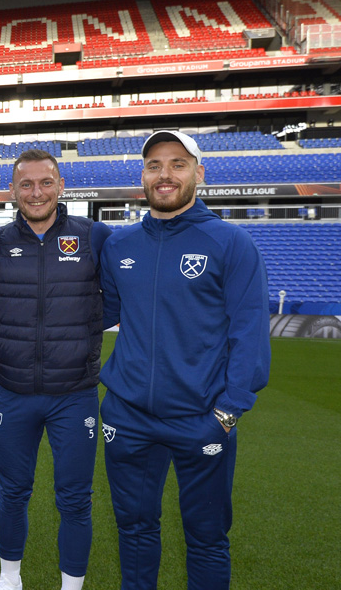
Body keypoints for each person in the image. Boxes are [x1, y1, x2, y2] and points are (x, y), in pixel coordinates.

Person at [98, 131, 270, 590]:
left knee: (207, 537)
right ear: (144, 176)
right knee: (134, 531)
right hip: (128, 418)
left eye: (177, 164)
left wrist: (228, 411)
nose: (165, 175)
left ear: (199, 172)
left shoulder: (231, 243)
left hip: (202, 418)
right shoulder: (120, 245)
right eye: (154, 165)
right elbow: (102, 314)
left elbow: (249, 332)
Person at [0, 150, 112, 590]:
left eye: (45, 182)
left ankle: (71, 586)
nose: (36, 192)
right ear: (13, 191)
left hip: (75, 393)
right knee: (12, 493)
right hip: (13, 392)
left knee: (76, 499)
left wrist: (81, 335)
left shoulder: (93, 236)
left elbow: (117, 299)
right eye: (25, 184)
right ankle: (10, 579)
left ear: (61, 186)